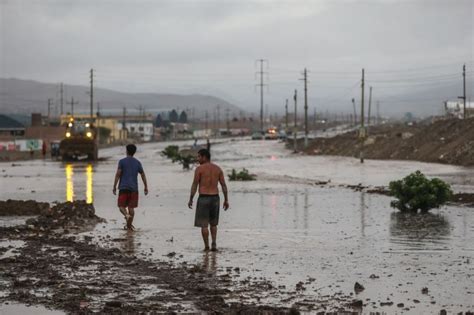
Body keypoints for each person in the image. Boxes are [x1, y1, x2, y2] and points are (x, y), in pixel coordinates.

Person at [188, 148, 229, 251]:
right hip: (215, 198)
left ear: (204, 157)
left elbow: (194, 185)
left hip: (204, 198)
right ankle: (214, 243)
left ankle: (206, 246)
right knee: (214, 224)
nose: (198, 159)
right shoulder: (218, 169)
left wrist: (191, 198)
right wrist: (226, 200)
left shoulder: (199, 169)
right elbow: (224, 185)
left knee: (204, 225)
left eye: (199, 157)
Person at [113, 144, 148, 230]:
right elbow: (143, 175)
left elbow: (118, 175)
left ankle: (126, 216)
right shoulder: (137, 162)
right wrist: (145, 186)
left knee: (121, 206)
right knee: (131, 208)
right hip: (134, 188)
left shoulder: (122, 162)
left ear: (127, 151)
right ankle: (129, 226)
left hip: (123, 187)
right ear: (134, 152)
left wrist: (114, 186)